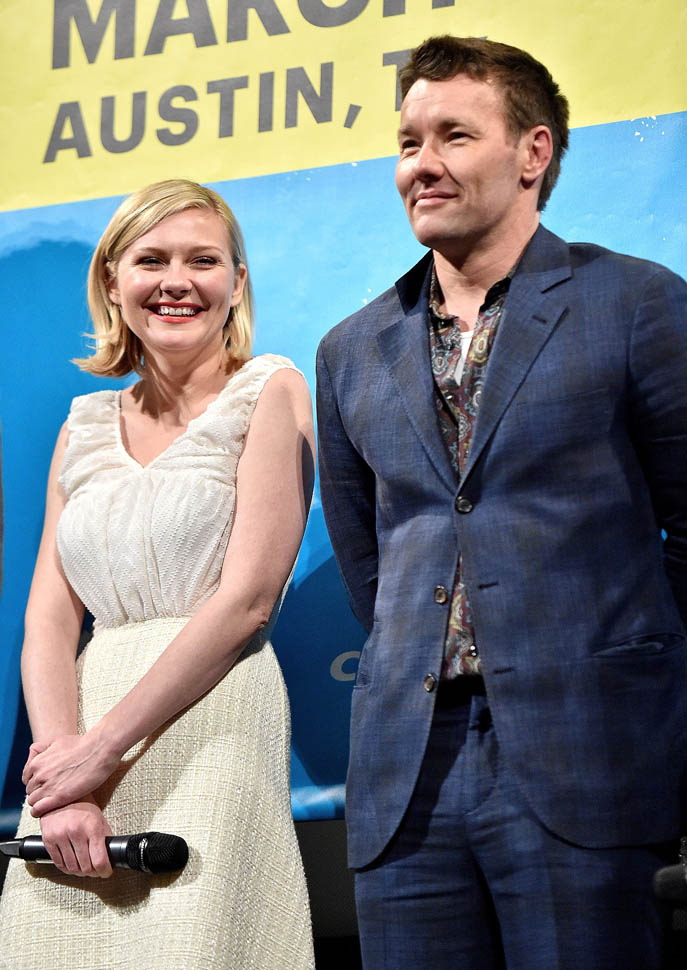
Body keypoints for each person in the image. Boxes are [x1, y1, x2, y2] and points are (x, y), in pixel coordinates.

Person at [316, 34, 687, 970]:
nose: (421, 165)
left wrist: (616, 654)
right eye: (408, 143)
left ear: (532, 152)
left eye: (453, 136)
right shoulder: (349, 349)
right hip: (406, 776)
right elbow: (368, 562)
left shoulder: (635, 303)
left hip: (589, 755)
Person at [0, 179, 315, 970]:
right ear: (113, 281)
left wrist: (102, 750)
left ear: (236, 282)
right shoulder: (81, 425)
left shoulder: (270, 389)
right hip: (77, 727)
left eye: (202, 260)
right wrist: (64, 769)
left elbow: (247, 601)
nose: (177, 280)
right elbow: (49, 618)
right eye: (151, 260)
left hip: (211, 712)